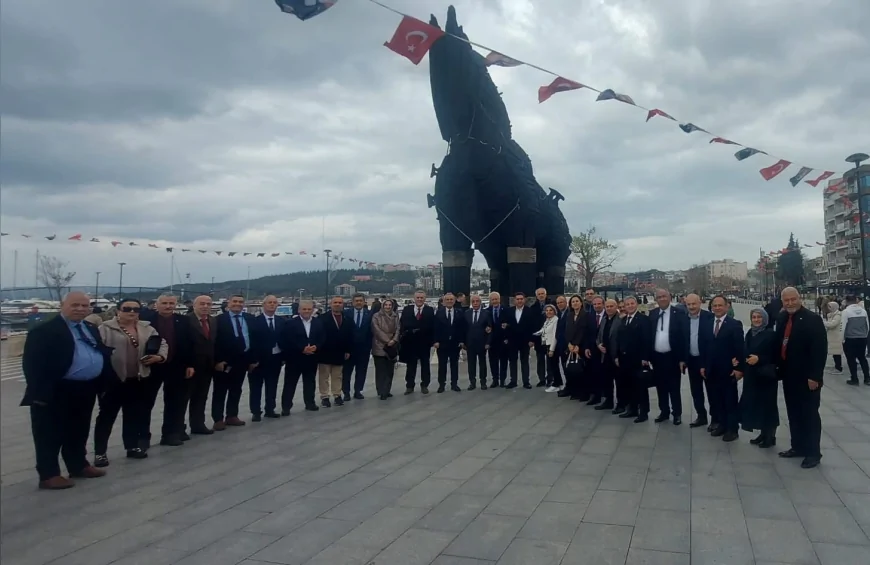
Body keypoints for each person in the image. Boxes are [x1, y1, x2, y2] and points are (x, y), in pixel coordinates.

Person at [21, 291, 114, 490]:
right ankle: (49, 474)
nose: (80, 309)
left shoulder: (90, 327)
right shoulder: (44, 330)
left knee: (79, 429)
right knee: (49, 432)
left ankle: (78, 464)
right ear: (63, 305)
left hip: (85, 388)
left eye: (84, 306)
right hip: (57, 389)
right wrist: (39, 393)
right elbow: (32, 365)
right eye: (75, 305)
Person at [94, 298, 168, 466]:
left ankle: (132, 446)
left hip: (138, 379)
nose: (132, 312)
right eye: (127, 309)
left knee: (133, 415)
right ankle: (100, 452)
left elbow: (162, 343)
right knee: (106, 416)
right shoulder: (105, 329)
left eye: (136, 309)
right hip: (113, 380)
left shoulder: (146, 327)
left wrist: (159, 357)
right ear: (118, 310)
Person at [774, 287, 827, 469]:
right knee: (794, 413)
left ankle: (813, 452)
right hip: (789, 376)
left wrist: (815, 376)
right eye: (786, 300)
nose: (789, 303)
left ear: (799, 298)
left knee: (809, 415)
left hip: (807, 378)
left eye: (792, 299)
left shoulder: (813, 320)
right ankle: (798, 446)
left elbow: (819, 350)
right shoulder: (782, 318)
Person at [149, 294, 195, 447]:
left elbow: (189, 343)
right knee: (146, 403)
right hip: (151, 366)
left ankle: (170, 434)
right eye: (164, 303)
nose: (168, 306)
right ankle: (142, 437)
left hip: (176, 365)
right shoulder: (146, 320)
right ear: (157, 304)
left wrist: (189, 364)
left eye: (171, 303)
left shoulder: (183, 321)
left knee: (175, 402)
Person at [701, 296, 745, 442]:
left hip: (728, 370)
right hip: (711, 370)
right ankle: (722, 424)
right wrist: (703, 365)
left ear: (727, 306)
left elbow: (740, 348)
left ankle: (732, 429)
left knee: (729, 400)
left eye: (720, 305)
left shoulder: (734, 324)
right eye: (715, 305)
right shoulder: (707, 323)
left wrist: (739, 368)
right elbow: (704, 346)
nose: (717, 308)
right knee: (716, 399)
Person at [213, 294, 258, 429]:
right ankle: (218, 419)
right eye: (235, 301)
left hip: (243, 360)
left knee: (236, 389)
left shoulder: (249, 319)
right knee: (220, 390)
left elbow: (253, 340)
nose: (237, 304)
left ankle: (232, 415)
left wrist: (253, 360)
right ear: (229, 303)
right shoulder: (219, 320)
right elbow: (214, 342)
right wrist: (217, 360)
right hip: (224, 361)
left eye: (240, 302)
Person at [739, 307, 779, 448]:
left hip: (766, 376)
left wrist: (760, 359)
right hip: (752, 376)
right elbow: (746, 350)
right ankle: (762, 433)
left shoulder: (771, 335)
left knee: (768, 407)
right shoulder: (750, 333)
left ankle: (770, 436)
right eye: (754, 317)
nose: (756, 320)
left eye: (759, 317)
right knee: (757, 406)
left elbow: (776, 356)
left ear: (765, 319)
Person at [648, 288, 688, 426]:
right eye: (659, 297)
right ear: (656, 299)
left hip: (673, 357)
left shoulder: (679, 313)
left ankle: (677, 413)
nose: (662, 299)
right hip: (657, 357)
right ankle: (664, 411)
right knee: (660, 386)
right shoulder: (652, 314)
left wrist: (683, 359)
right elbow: (649, 336)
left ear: (670, 297)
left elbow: (684, 337)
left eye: (664, 296)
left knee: (674, 387)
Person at [614, 296, 652, 423]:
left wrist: (645, 357)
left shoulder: (643, 319)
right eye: (627, 304)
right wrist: (618, 356)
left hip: (638, 359)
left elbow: (647, 339)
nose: (630, 306)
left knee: (640, 386)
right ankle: (632, 409)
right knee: (629, 385)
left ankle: (644, 412)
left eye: (632, 303)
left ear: (636, 304)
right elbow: (620, 340)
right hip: (625, 359)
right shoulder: (623, 320)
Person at [248, 295, 286, 421]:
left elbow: (284, 340)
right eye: (269, 302)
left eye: (274, 302)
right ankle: (256, 412)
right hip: (258, 360)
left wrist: (283, 358)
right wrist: (252, 360)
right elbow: (251, 342)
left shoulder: (281, 321)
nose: (272, 305)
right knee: (256, 387)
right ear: (263, 305)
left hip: (275, 359)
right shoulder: (254, 321)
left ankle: (270, 409)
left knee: (272, 385)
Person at [282, 300, 323, 412]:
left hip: (311, 358)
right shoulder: (290, 323)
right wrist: (302, 349)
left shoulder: (318, 322)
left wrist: (316, 347)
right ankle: (286, 407)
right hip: (295, 358)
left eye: (309, 309)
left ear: (312, 310)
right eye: (304, 309)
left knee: (310, 382)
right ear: (299, 310)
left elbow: (322, 338)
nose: (306, 311)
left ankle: (310, 403)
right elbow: (288, 340)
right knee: (290, 383)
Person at [187, 295, 218, 434]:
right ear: (194, 305)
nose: (205, 306)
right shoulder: (186, 320)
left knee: (201, 397)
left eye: (208, 304)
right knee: (183, 398)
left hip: (207, 366)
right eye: (202, 304)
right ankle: (178, 429)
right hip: (190, 366)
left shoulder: (212, 321)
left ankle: (198, 424)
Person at [684, 294, 714, 430]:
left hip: (706, 360)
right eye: (688, 304)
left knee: (711, 391)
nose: (691, 307)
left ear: (700, 303)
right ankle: (701, 416)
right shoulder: (684, 318)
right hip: (692, 360)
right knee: (696, 391)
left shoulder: (709, 317)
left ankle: (715, 419)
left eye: (693, 304)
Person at [318, 296, 353, 407]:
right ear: (331, 304)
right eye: (335, 302)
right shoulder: (323, 318)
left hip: (340, 351)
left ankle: (337, 395)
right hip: (325, 351)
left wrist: (348, 350)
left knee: (337, 376)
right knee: (324, 376)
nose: (337, 304)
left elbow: (349, 336)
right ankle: (324, 396)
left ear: (343, 304)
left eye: (340, 302)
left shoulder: (347, 318)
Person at [399, 291, 435, 394]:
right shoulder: (407, 309)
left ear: (425, 299)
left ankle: (425, 385)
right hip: (410, 342)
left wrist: (432, 341)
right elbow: (402, 324)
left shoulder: (429, 310)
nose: (420, 299)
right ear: (414, 298)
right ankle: (409, 386)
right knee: (411, 365)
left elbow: (432, 326)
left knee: (425, 364)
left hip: (424, 342)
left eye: (422, 298)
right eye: (418, 297)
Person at [433, 292, 466, 393]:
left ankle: (454, 384)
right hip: (442, 344)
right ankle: (441, 385)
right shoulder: (439, 313)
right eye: (447, 300)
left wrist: (461, 341)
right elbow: (434, 328)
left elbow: (462, 328)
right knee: (442, 365)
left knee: (454, 365)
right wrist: (435, 341)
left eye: (451, 299)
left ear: (455, 301)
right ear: (443, 301)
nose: (449, 301)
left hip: (455, 344)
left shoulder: (459, 312)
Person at [343, 293, 372, 400]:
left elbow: (371, 332)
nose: (359, 302)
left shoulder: (370, 314)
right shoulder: (346, 313)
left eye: (361, 300)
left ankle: (358, 391)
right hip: (349, 349)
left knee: (361, 371)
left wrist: (369, 347)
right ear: (352, 302)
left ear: (364, 302)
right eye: (356, 300)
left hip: (364, 349)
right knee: (346, 371)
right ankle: (346, 392)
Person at [505, 292, 537, 389]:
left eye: (521, 299)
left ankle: (526, 381)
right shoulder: (509, 311)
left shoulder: (530, 311)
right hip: (512, 340)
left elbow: (533, 327)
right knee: (512, 361)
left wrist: (532, 340)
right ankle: (513, 381)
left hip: (525, 341)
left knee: (525, 361)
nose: (519, 301)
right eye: (517, 299)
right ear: (514, 300)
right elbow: (505, 325)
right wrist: (506, 338)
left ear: (524, 300)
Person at [595, 298, 622, 412]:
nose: (609, 308)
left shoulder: (620, 320)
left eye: (611, 306)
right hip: (604, 355)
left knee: (619, 381)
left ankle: (621, 403)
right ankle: (608, 401)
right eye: (607, 307)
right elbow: (599, 335)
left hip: (616, 356)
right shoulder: (605, 319)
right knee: (607, 379)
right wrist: (598, 345)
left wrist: (618, 355)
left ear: (616, 307)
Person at [371, 298, 401, 399]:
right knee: (380, 371)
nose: (387, 307)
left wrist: (394, 340)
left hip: (392, 346)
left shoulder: (395, 316)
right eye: (386, 305)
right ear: (382, 306)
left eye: (389, 305)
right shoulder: (376, 316)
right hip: (379, 346)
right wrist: (387, 341)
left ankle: (387, 390)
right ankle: (381, 391)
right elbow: (376, 330)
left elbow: (398, 329)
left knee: (390, 371)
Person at [463, 294, 492, 390]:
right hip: (470, 343)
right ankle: (472, 382)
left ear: (480, 302)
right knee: (471, 364)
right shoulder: (466, 313)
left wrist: (488, 342)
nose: (475, 303)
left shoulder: (486, 313)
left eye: (477, 301)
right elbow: (463, 329)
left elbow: (490, 329)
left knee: (482, 363)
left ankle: (483, 382)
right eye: (473, 301)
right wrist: (463, 342)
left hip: (482, 343)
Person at [839, 295, 869, 386]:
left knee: (851, 359)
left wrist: (842, 339)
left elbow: (843, 327)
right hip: (862, 338)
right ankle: (867, 378)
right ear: (856, 300)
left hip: (850, 339)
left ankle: (854, 378)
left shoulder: (846, 312)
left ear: (847, 301)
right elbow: (867, 325)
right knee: (862, 358)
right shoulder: (863, 311)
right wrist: (865, 335)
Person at [580, 296, 604, 403]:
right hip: (593, 349)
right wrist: (586, 347)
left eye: (599, 304)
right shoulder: (590, 316)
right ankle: (595, 395)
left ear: (603, 304)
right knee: (594, 372)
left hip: (604, 349)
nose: (597, 306)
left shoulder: (608, 315)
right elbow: (587, 333)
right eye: (595, 304)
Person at [564, 295, 588, 400]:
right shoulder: (569, 315)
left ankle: (583, 393)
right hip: (571, 346)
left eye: (577, 301)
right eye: (573, 301)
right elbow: (567, 331)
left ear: (581, 303)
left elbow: (583, 331)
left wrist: (577, 345)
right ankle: (574, 391)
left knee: (581, 371)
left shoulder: (585, 315)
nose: (575, 303)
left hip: (581, 346)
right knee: (572, 370)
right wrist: (569, 343)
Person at [534, 304, 561, 392]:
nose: (548, 312)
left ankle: (556, 384)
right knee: (551, 365)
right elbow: (542, 330)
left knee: (553, 365)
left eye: (551, 310)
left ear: (554, 311)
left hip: (552, 345)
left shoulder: (555, 320)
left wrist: (552, 349)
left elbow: (554, 336)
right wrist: (533, 334)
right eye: (547, 310)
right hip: (546, 344)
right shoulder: (548, 320)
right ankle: (558, 383)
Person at [487, 292, 508, 387]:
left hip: (503, 340)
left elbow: (510, 324)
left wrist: (507, 328)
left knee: (503, 361)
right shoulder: (487, 311)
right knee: (493, 361)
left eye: (496, 299)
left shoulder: (506, 310)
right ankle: (495, 379)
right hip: (492, 341)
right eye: (493, 299)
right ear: (490, 301)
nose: (495, 301)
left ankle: (503, 380)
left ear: (499, 299)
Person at [531, 287, 551, 387]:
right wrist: (533, 339)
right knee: (540, 360)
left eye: (543, 293)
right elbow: (531, 325)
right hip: (539, 338)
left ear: (546, 294)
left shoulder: (552, 305)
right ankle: (542, 379)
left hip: (550, 337)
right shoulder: (533, 308)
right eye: (539, 294)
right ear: (536, 296)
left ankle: (550, 378)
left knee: (550, 359)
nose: (541, 295)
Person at [822, 301, 843, 373]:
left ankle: (838, 368)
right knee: (834, 353)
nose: (828, 308)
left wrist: (824, 323)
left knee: (837, 353)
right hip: (833, 336)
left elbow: (833, 324)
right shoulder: (832, 315)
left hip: (836, 337)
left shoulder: (838, 315)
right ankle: (837, 366)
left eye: (829, 307)